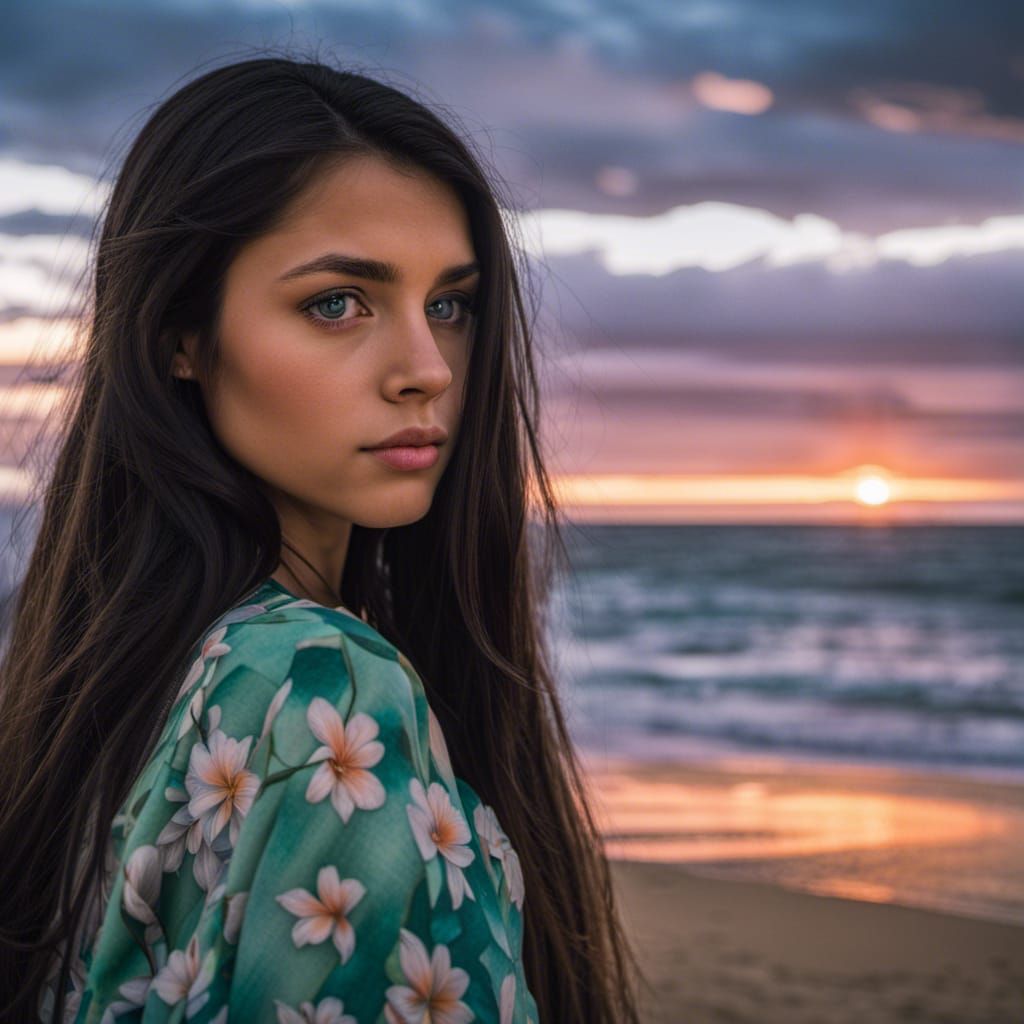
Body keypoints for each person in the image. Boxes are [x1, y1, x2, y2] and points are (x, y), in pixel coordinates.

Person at [0, 56, 645, 1023]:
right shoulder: (328, 690)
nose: (426, 368)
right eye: (337, 303)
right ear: (179, 335)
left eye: (451, 305)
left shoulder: (102, 686)